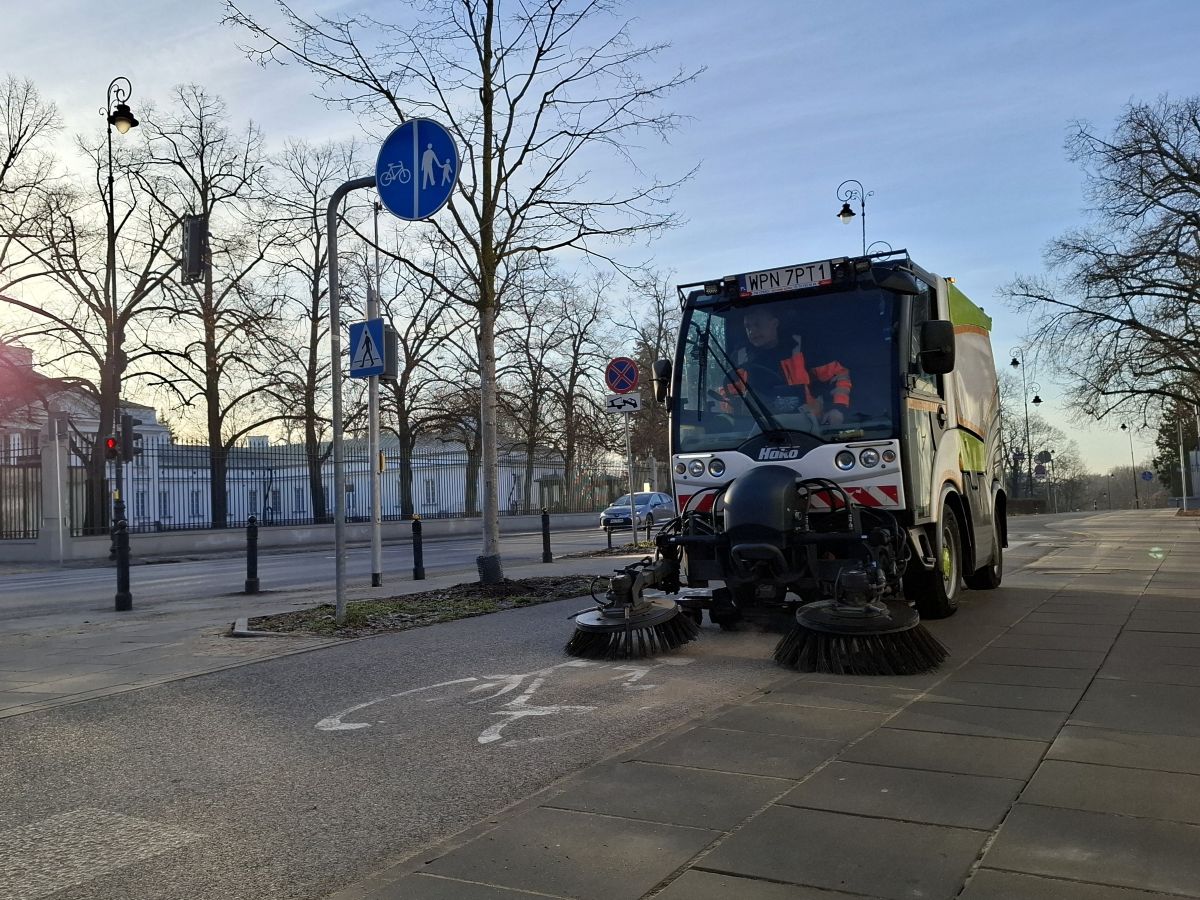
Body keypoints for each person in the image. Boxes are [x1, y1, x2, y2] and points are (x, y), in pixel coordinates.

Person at [720, 306, 851, 426]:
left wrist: (837, 409)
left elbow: (838, 374)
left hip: (809, 428)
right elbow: (728, 394)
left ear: (774, 324)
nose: (752, 331)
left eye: (757, 324)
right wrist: (729, 421)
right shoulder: (740, 357)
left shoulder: (801, 347)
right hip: (756, 432)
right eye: (748, 327)